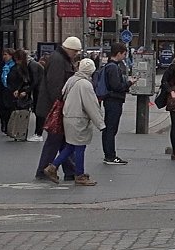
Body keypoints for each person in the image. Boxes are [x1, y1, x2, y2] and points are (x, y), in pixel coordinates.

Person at [42, 58, 103, 186]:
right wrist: (100, 123)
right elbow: (91, 105)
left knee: (71, 146)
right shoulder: (85, 84)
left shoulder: (71, 80)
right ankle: (79, 175)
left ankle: (52, 167)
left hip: (68, 117)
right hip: (79, 119)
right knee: (80, 147)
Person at [33, 37, 81, 181]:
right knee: (55, 140)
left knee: (62, 140)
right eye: (75, 51)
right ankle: (44, 170)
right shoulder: (58, 60)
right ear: (69, 49)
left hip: (55, 106)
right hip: (55, 107)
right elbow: (55, 85)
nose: (76, 54)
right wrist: (61, 104)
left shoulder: (60, 58)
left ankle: (70, 170)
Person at [100, 43, 134, 165]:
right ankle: (110, 156)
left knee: (109, 128)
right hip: (114, 100)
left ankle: (108, 154)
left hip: (110, 100)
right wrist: (129, 83)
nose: (124, 57)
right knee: (111, 129)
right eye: (124, 54)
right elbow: (116, 86)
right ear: (118, 53)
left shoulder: (108, 66)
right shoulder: (113, 67)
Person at [5, 49, 37, 142]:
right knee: (19, 113)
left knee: (22, 113)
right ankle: (18, 132)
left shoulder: (27, 67)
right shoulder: (19, 67)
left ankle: (21, 132)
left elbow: (30, 81)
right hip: (19, 92)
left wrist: (25, 91)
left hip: (24, 93)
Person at [0, 46, 15, 135]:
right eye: (3, 55)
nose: (4, 57)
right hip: (1, 90)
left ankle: (8, 125)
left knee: (9, 109)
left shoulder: (15, 66)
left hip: (11, 91)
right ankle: (3, 123)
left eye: (6, 55)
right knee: (1, 108)